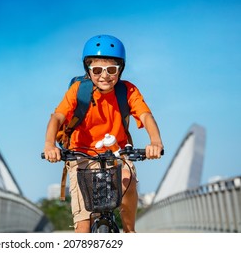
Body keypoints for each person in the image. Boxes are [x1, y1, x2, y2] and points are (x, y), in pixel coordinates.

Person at [43, 34, 164, 233]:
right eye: (97, 69)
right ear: (88, 71)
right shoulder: (78, 91)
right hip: (80, 156)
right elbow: (57, 118)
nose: (104, 75)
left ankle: (129, 231)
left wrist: (156, 142)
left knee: (128, 179)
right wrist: (49, 145)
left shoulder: (128, 91)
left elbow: (146, 116)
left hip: (117, 154)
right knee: (82, 228)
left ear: (120, 70)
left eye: (111, 70)